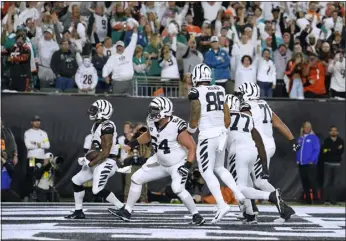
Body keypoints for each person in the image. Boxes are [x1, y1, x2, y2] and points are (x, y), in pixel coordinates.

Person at [109, 97, 205, 225]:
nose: (152, 113)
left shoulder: (176, 126)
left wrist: (187, 165)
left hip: (177, 163)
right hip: (159, 161)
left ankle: (197, 216)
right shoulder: (151, 121)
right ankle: (127, 211)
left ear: (165, 111)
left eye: (156, 110)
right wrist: (132, 144)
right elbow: (149, 135)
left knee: (177, 189)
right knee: (136, 178)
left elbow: (192, 147)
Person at [187, 63, 245, 224]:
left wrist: (190, 130)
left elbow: (195, 112)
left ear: (196, 77)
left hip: (208, 134)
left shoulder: (195, 91)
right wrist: (223, 128)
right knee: (220, 167)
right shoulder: (220, 89)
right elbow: (226, 113)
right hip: (221, 133)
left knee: (206, 171)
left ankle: (222, 204)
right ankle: (238, 194)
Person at [225, 94, 292, 223]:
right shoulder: (246, 118)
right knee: (248, 183)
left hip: (237, 153)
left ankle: (270, 196)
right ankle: (250, 214)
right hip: (252, 152)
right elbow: (258, 140)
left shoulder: (224, 120)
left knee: (239, 188)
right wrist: (264, 163)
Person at [236, 82, 298, 222]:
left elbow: (242, 127)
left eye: (241, 94)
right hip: (269, 144)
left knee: (260, 181)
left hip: (260, 146)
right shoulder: (263, 104)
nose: (239, 97)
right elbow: (278, 123)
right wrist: (292, 140)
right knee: (249, 177)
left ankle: (284, 208)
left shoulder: (247, 107)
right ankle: (250, 209)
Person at [65, 100, 123, 219]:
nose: (92, 112)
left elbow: (106, 152)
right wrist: (87, 158)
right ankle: (78, 211)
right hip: (99, 159)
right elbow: (94, 146)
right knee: (76, 180)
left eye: (95, 110)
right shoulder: (97, 124)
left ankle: (122, 208)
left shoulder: (108, 126)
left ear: (103, 112)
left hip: (107, 161)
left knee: (97, 190)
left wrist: (91, 163)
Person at [102, 18, 139, 95]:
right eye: (118, 46)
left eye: (121, 46)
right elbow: (106, 67)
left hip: (129, 82)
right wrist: (105, 76)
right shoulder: (113, 57)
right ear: (116, 48)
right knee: (117, 102)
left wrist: (135, 30)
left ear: (124, 47)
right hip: (118, 83)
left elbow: (133, 41)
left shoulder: (128, 52)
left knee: (130, 103)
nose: (119, 48)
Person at [24, 116, 50, 201]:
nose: (37, 122)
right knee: (31, 175)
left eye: (38, 121)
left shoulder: (44, 133)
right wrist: (40, 144)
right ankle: (29, 194)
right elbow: (28, 146)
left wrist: (35, 143)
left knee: (42, 175)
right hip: (32, 158)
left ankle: (41, 194)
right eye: (35, 121)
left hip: (42, 158)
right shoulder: (28, 133)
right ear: (32, 122)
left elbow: (47, 145)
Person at [296, 121, 321, 204]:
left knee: (312, 181)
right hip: (301, 164)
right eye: (305, 127)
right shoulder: (300, 138)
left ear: (310, 128)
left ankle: (316, 199)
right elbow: (297, 150)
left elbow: (316, 150)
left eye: (308, 127)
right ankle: (307, 199)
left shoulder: (314, 138)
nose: (307, 128)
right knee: (304, 181)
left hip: (310, 164)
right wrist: (298, 160)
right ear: (303, 128)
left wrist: (312, 160)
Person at [321, 126, 344, 204]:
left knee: (335, 183)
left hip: (337, 164)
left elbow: (340, 152)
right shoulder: (326, 141)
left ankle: (333, 201)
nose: (334, 132)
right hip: (327, 164)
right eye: (332, 131)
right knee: (326, 182)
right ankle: (325, 200)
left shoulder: (341, 141)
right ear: (329, 132)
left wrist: (330, 149)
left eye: (335, 131)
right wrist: (335, 149)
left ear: (337, 132)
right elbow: (324, 151)